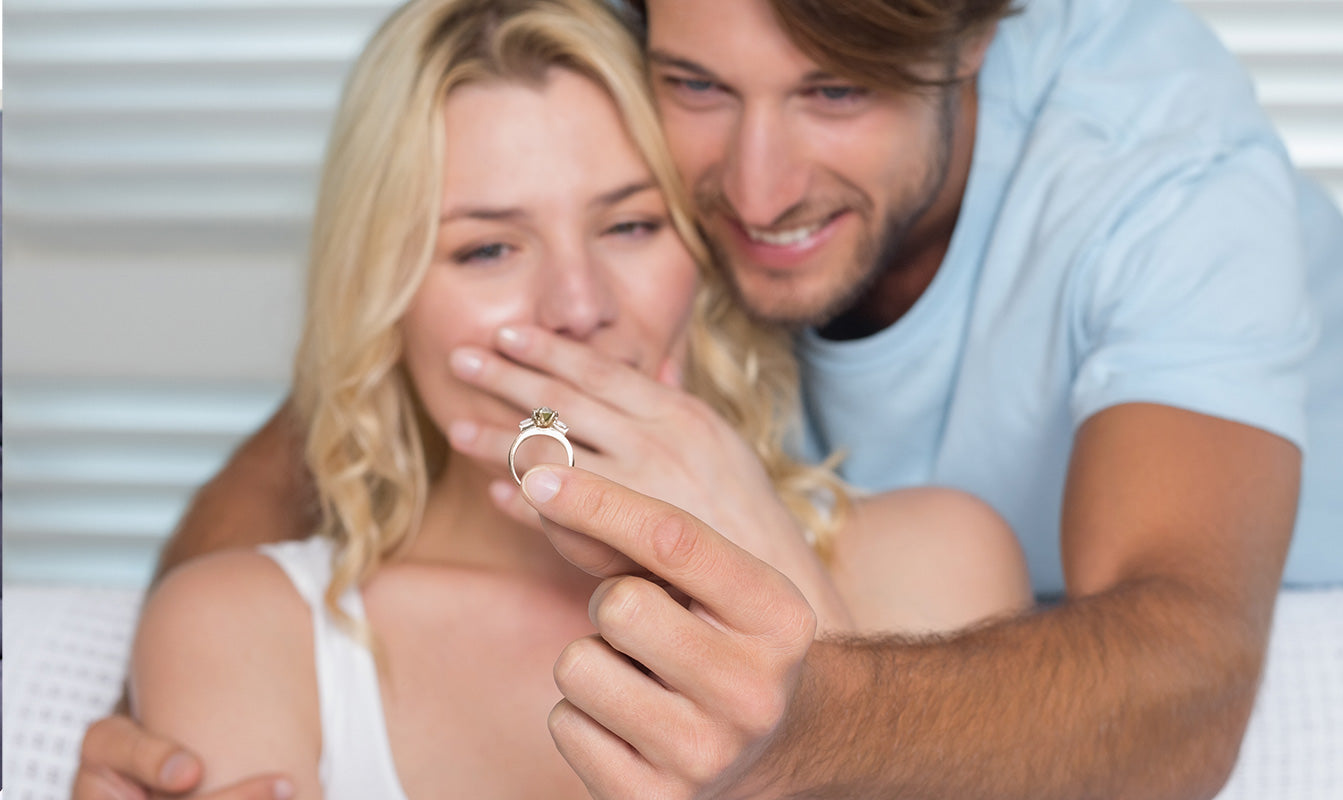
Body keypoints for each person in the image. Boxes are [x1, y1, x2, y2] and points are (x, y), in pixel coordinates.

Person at [77, 0, 1343, 797]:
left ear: (972, 40)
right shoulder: (581, 83)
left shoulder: (1145, 161)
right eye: (698, 90)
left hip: (1308, 581)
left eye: (836, 91)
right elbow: (359, 385)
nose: (757, 189)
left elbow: (1184, 677)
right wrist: (156, 713)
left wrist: (786, 644)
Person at [80, 0, 1032, 797]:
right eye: (488, 248)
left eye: (630, 226)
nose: (577, 309)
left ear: (703, 259)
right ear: (384, 301)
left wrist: (785, 584)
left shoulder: (932, 567)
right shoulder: (244, 630)